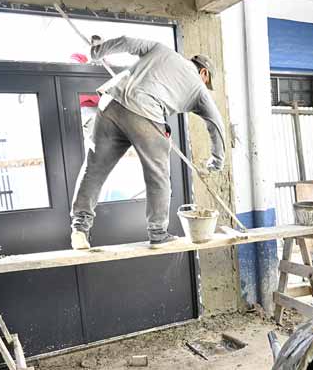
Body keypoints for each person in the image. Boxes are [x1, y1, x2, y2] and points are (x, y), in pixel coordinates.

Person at [70, 36, 225, 250]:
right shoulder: (199, 88)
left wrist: (95, 52)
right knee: (158, 175)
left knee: (94, 168)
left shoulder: (160, 49)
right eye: (208, 84)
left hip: (111, 103)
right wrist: (216, 161)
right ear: (204, 73)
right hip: (144, 113)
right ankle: (158, 233)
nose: (206, 88)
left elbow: (125, 41)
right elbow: (216, 124)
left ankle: (79, 228)